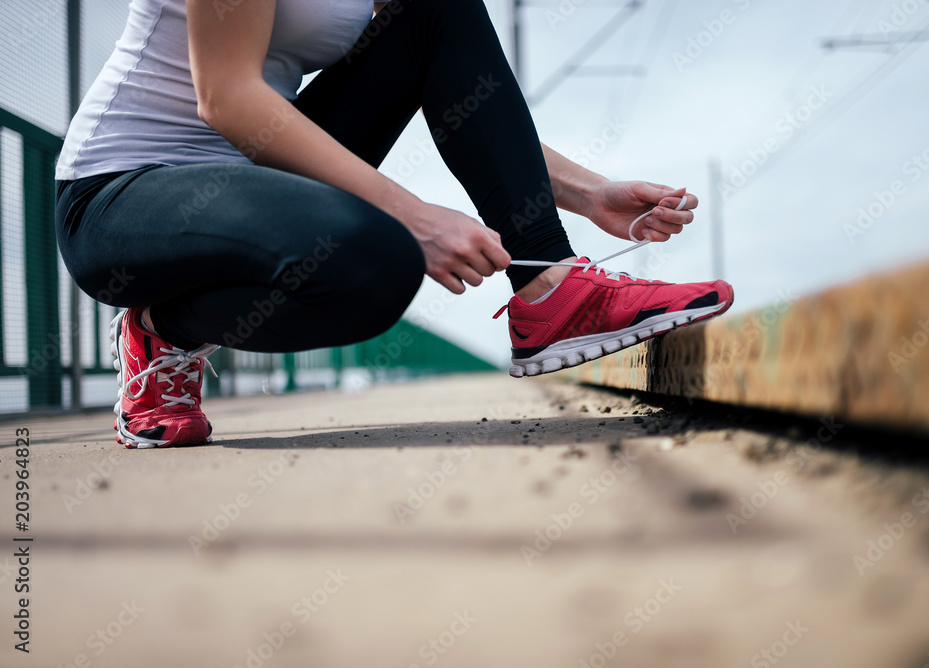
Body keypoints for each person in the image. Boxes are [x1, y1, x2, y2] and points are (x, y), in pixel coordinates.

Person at [54, 0, 733, 449]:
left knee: (437, 8)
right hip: (124, 192)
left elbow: (452, 78)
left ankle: (551, 287)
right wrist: (412, 215)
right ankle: (161, 331)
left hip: (256, 184)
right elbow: (225, 98)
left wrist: (589, 193)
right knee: (377, 260)